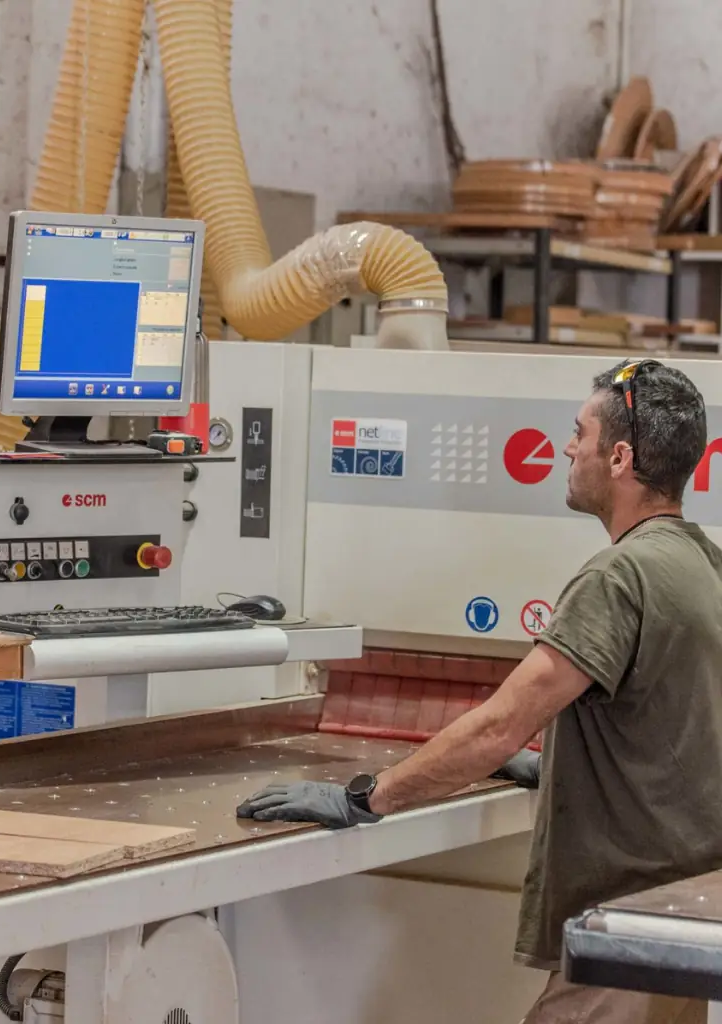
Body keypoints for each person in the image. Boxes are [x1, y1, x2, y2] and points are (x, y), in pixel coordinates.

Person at [238, 359, 721, 1024]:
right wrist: (555, 766)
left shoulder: (617, 577)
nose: (565, 447)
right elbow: (678, 724)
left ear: (619, 456)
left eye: (578, 432)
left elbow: (498, 725)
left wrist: (364, 797)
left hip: (623, 923)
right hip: (681, 923)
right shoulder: (702, 561)